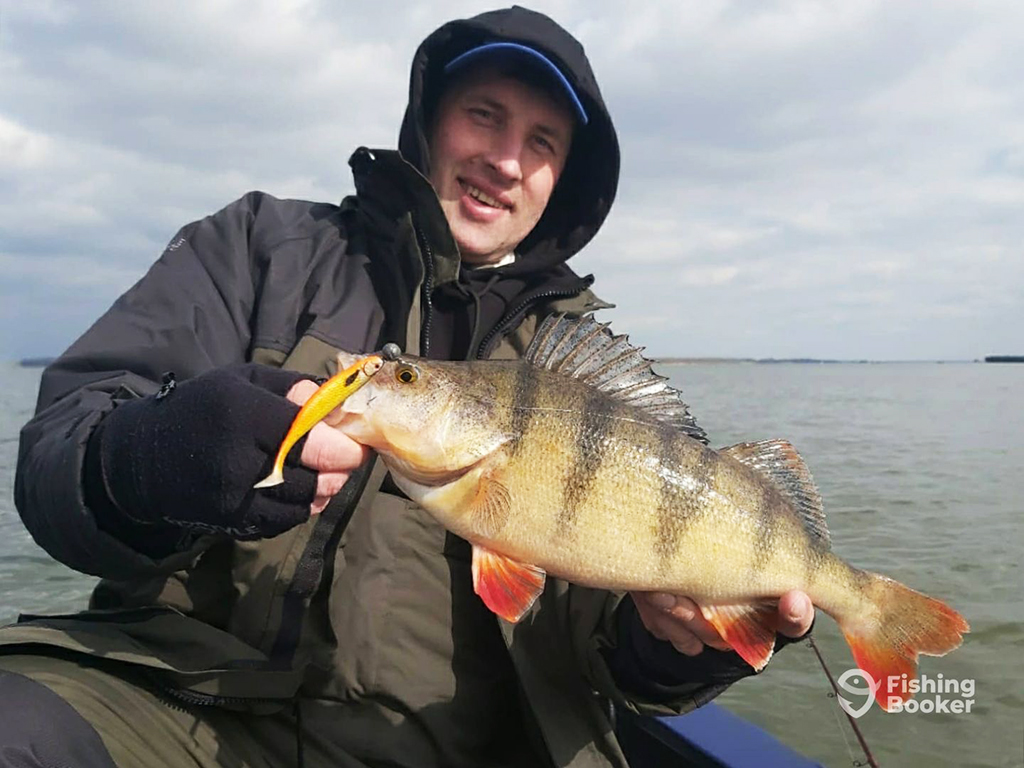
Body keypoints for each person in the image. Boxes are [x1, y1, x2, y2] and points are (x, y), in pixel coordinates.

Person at [0, 7, 813, 767]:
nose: (504, 160)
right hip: (177, 701)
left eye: (542, 141)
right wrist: (146, 457)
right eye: (484, 114)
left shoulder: (574, 363)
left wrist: (670, 642)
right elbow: (58, 455)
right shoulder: (261, 247)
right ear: (428, 121)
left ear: (563, 177)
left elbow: (611, 656)